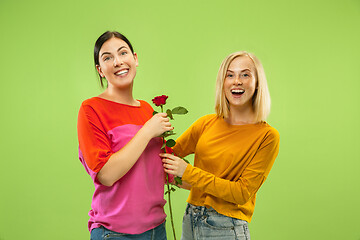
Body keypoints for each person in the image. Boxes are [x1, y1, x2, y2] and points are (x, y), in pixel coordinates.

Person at [160, 51, 280, 240]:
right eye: (229, 75)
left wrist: (188, 171)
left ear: (257, 84)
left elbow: (241, 193)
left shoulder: (267, 136)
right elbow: (164, 156)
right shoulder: (206, 123)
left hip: (226, 227)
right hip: (190, 219)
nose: (236, 81)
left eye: (245, 74)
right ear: (222, 83)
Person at [77, 31, 173, 240]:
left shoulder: (148, 110)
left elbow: (169, 172)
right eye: (107, 57)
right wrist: (147, 131)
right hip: (114, 234)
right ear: (100, 70)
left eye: (123, 53)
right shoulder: (91, 109)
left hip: (157, 230)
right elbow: (106, 175)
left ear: (135, 59)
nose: (118, 62)